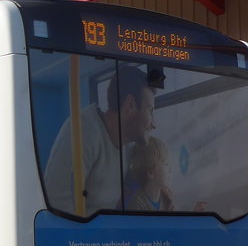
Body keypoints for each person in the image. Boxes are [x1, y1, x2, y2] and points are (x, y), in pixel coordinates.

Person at [43, 64, 162, 215]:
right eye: (150, 111)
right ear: (130, 105)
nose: (154, 124)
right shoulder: (83, 131)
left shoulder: (126, 147)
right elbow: (57, 203)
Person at [124, 137, 175, 211]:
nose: (170, 170)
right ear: (151, 172)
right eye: (166, 164)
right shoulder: (137, 205)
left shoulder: (166, 199)